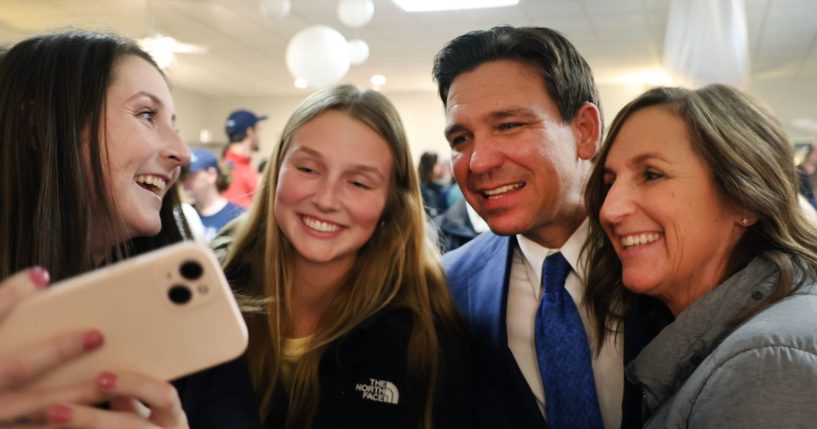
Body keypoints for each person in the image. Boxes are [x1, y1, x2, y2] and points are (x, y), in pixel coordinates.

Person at [0, 30, 260, 428]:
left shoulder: (194, 331)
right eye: (146, 115)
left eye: (173, 122)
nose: (182, 153)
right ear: (37, 126)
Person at [214, 85, 487, 428]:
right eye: (308, 169)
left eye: (358, 183)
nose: (326, 200)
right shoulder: (211, 289)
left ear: (391, 201)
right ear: (276, 172)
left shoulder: (426, 337)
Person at [432, 25, 650, 428]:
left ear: (585, 131)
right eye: (461, 138)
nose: (477, 162)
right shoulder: (447, 289)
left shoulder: (666, 260)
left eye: (509, 125)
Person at [584, 84, 817, 427]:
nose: (610, 210)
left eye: (651, 175)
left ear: (743, 198)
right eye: (609, 182)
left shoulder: (765, 364)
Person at [182, 148, 245, 242]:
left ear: (212, 175)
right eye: (183, 175)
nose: (185, 181)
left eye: (191, 174)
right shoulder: (183, 215)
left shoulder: (238, 216)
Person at [222, 109, 267, 209]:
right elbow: (238, 216)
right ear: (250, 132)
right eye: (258, 130)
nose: (260, 136)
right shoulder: (231, 171)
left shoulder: (244, 166)